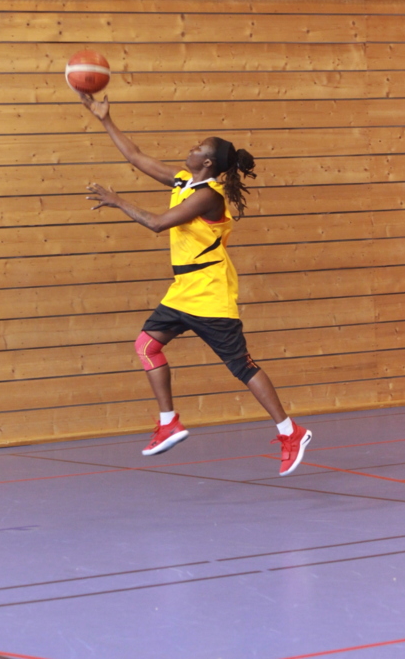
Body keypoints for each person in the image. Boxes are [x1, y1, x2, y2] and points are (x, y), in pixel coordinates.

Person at [81, 92, 312, 476]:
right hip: (184, 290)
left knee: (241, 366)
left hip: (209, 292)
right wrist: (104, 118)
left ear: (207, 162)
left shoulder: (208, 196)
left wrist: (118, 201)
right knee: (146, 345)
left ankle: (291, 432)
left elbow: (158, 223)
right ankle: (169, 422)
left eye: (198, 148)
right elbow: (135, 156)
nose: (191, 148)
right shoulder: (184, 181)